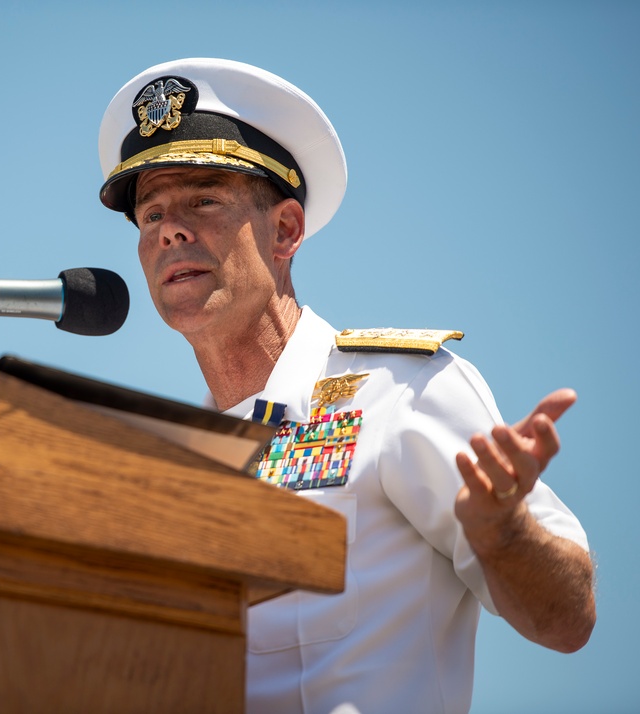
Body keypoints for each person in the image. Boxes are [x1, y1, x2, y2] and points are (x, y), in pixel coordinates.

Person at [96, 58, 595, 714]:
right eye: (151, 213)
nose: (169, 229)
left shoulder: (398, 391)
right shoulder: (170, 462)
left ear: (286, 230)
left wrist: (504, 533)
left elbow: (568, 621)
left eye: (203, 199)